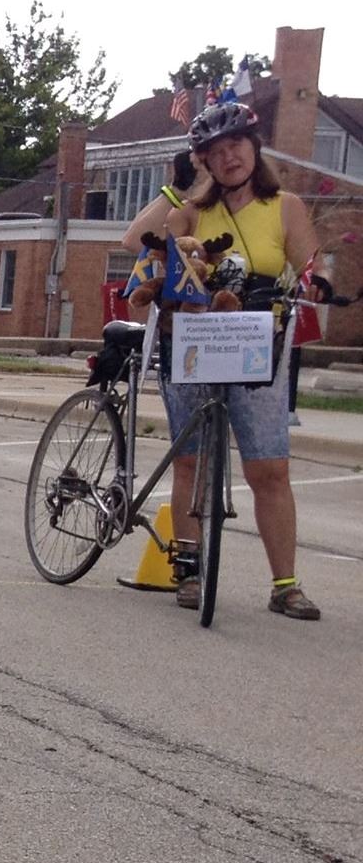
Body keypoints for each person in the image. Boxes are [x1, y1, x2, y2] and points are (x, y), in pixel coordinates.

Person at [118, 100, 326, 620]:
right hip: (193, 340)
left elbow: (311, 264)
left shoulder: (286, 207)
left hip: (258, 343)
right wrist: (178, 185)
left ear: (255, 148)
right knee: (191, 461)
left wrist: (320, 282)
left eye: (236, 145)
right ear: (205, 161)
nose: (228, 157)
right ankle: (188, 571)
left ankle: (285, 585)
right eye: (215, 151)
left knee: (269, 469)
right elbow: (132, 241)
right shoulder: (193, 211)